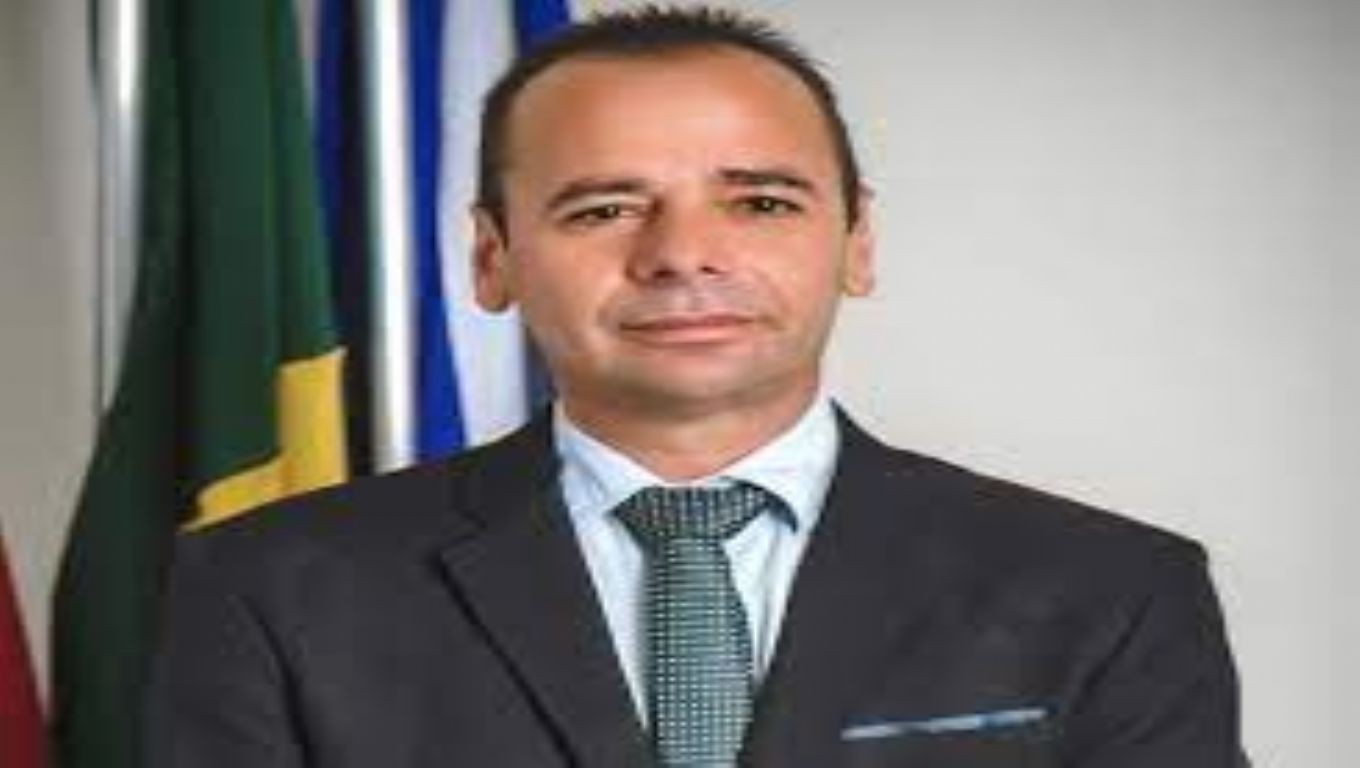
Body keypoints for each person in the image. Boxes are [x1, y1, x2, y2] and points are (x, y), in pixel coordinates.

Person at [147, 6, 1243, 767]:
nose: (682, 255)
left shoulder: (1110, 589)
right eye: (604, 208)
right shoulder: (270, 587)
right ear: (491, 257)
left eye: (760, 202)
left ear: (857, 241)